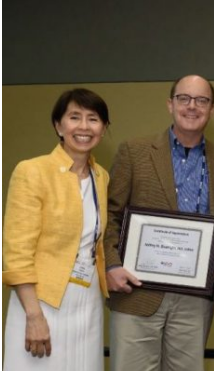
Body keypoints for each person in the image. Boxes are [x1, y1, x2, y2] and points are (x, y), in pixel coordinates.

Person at [103, 75, 214, 371]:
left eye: (202, 100)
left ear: (212, 109)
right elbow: (110, 214)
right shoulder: (134, 151)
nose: (192, 106)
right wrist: (111, 265)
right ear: (170, 104)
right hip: (137, 290)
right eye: (184, 98)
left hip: (195, 298)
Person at [3, 88, 111, 369]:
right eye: (74, 117)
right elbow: (17, 251)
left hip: (88, 299)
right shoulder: (32, 171)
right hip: (42, 299)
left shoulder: (102, 177)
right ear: (58, 125)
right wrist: (33, 315)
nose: (84, 127)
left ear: (104, 128)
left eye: (93, 119)